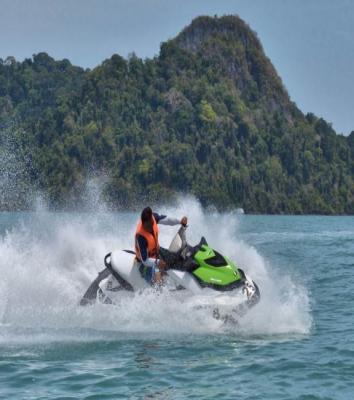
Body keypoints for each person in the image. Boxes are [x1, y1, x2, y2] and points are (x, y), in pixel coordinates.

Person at [134, 206, 188, 284]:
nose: (147, 228)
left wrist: (180, 221)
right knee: (158, 283)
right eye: (145, 226)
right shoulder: (141, 236)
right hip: (144, 263)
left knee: (177, 259)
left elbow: (168, 220)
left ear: (151, 220)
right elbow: (145, 260)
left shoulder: (153, 217)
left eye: (149, 225)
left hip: (156, 251)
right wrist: (158, 262)